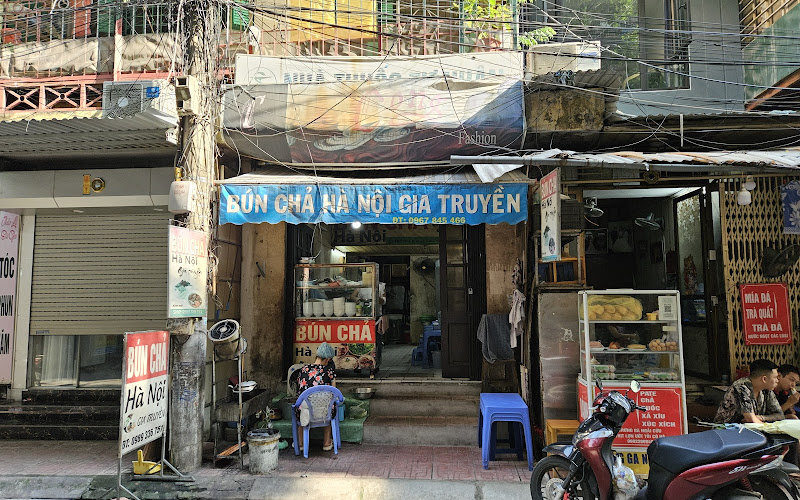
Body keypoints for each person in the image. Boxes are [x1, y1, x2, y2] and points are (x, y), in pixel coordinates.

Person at [714, 359, 785, 424]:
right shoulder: (741, 387)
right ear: (764, 379)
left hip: (749, 429)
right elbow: (751, 419)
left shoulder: (767, 389)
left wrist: (761, 417)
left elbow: (780, 415)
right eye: (775, 377)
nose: (777, 381)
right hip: (726, 430)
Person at [295, 342, 337, 451]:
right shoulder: (329, 371)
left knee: (300, 406)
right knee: (330, 405)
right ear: (327, 359)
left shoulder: (303, 370)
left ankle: (300, 444)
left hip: (306, 411)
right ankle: (327, 443)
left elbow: (299, 391)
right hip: (324, 412)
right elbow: (334, 392)